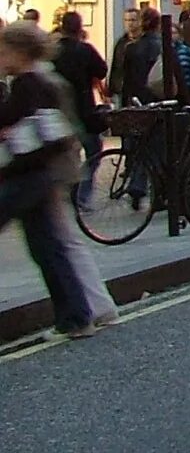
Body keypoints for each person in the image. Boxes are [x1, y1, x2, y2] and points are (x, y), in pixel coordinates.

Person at [0, 19, 116, 337]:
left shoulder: (31, 83)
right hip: (40, 175)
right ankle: (78, 317)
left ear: (19, 51)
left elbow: (43, 132)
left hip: (30, 176)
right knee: (50, 247)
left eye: (3, 50)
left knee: (54, 247)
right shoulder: (34, 80)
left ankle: (80, 316)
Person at [51, 11, 110, 204]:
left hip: (59, 110)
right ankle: (83, 193)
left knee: (67, 153)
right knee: (94, 150)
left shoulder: (53, 51)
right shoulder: (85, 49)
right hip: (84, 108)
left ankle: (68, 190)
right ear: (79, 28)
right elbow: (101, 70)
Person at [106, 7, 142, 103]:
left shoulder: (144, 43)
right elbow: (115, 65)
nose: (129, 23)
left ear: (140, 21)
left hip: (138, 89)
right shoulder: (121, 43)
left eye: (133, 20)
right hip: (121, 89)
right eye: (126, 20)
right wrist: (110, 90)